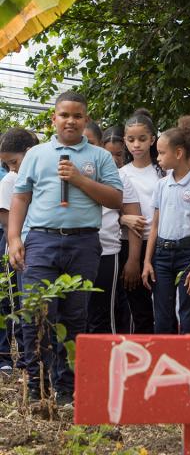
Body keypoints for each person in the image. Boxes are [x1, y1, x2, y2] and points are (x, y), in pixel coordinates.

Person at [8, 91, 123, 405]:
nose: (70, 121)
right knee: (34, 314)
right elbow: (20, 198)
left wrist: (80, 180)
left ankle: (66, 391)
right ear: (53, 119)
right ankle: (36, 389)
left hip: (83, 244)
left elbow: (115, 199)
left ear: (85, 119)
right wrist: (15, 238)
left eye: (77, 116)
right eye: (64, 115)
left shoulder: (98, 157)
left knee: (74, 319)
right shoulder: (36, 154)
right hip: (41, 242)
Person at [142, 114, 190, 334]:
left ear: (178, 153)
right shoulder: (162, 185)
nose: (158, 158)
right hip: (162, 255)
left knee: (188, 315)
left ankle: (188, 363)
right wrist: (148, 261)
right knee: (163, 315)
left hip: (188, 254)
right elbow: (154, 224)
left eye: (162, 153)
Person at [84, 122, 140, 334]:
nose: (82, 147)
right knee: (76, 315)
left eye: (89, 142)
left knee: (103, 316)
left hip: (106, 253)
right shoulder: (63, 171)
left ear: (100, 145)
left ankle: (107, 364)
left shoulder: (119, 176)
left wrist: (133, 260)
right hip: (73, 252)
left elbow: (134, 217)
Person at [119, 108, 163, 333]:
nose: (136, 145)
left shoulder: (163, 171)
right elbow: (111, 210)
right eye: (131, 139)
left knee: (165, 308)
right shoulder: (120, 174)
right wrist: (123, 218)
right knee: (140, 308)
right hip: (132, 245)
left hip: (163, 244)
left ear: (153, 140)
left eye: (142, 139)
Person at [0, 128, 39, 377]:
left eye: (14, 162)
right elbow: (6, 218)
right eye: (8, 164)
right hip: (18, 246)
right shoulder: (11, 180)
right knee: (18, 303)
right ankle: (25, 359)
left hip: (37, 244)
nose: (12, 168)